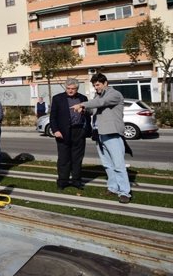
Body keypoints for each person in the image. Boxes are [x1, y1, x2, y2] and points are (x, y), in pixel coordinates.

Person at [71, 73, 132, 204]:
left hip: (112, 133)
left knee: (118, 165)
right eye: (94, 85)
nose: (96, 88)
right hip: (99, 133)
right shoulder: (98, 96)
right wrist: (84, 110)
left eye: (97, 85)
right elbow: (94, 110)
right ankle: (113, 188)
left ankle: (124, 192)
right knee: (107, 164)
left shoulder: (114, 94)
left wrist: (82, 104)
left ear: (105, 83)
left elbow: (101, 103)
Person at [50, 79, 91, 191]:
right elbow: (53, 116)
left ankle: (76, 181)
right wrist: (55, 130)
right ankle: (62, 182)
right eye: (68, 89)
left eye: (73, 89)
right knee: (64, 158)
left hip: (79, 131)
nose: (70, 91)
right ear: (65, 88)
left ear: (77, 89)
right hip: (63, 133)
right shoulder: (57, 98)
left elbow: (88, 114)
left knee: (77, 158)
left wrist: (86, 129)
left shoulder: (83, 98)